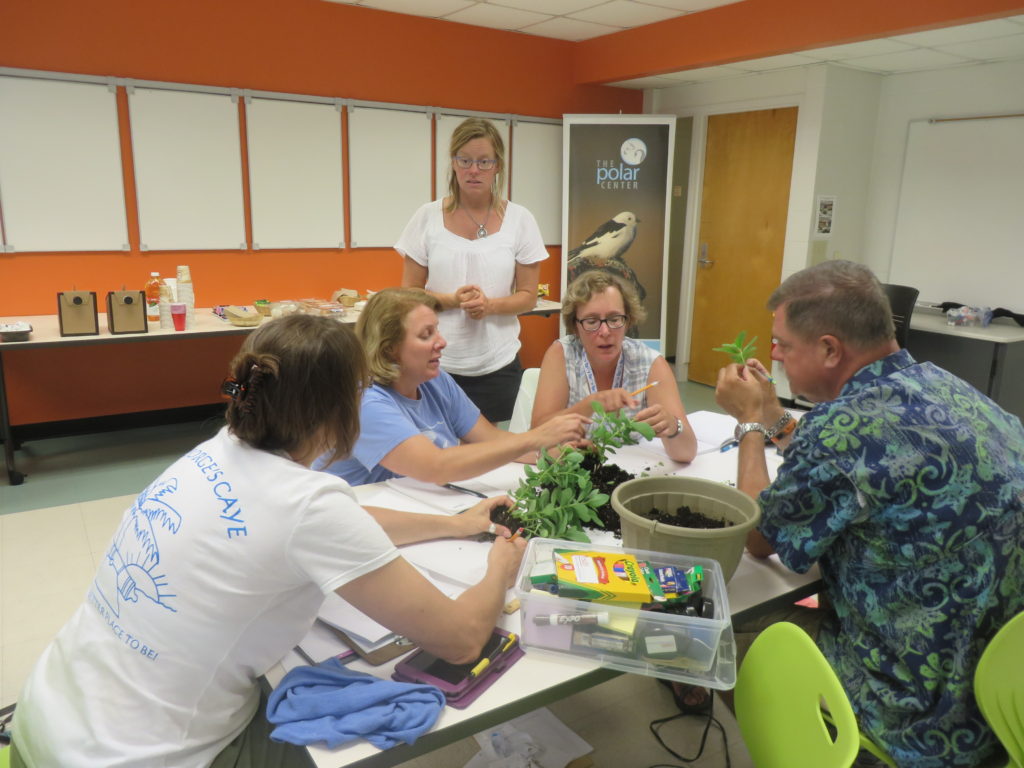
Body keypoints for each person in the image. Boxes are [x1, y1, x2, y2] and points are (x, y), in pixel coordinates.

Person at [10, 314, 526, 768]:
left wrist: (454, 523)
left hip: (50, 716)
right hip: (131, 757)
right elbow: (459, 640)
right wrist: (502, 560)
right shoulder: (307, 504)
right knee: (359, 739)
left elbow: (331, 522)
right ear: (343, 407)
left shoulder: (217, 450)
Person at [714, 260, 1024, 768]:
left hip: (915, 709)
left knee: (719, 623)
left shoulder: (842, 431)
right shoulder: (951, 388)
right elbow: (860, 464)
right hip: (999, 688)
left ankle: (814, 747)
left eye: (783, 345)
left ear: (830, 349)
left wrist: (749, 424)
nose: (773, 355)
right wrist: (777, 421)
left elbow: (760, 535)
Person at [319, 288, 588, 487]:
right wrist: (537, 438)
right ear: (390, 348)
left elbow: (491, 439)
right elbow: (436, 467)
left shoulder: (435, 379)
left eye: (437, 330)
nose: (442, 342)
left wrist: (553, 452)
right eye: (427, 335)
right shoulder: (366, 403)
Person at [398, 117, 547, 422]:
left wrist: (490, 305)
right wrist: (453, 301)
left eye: (483, 161)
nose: (474, 170)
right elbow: (407, 294)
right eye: (464, 160)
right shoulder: (427, 217)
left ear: (497, 166)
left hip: (498, 367)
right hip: (435, 365)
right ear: (453, 163)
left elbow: (529, 296)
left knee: (499, 457)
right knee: (438, 455)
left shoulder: (520, 219)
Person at [531, 270, 697, 464]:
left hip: (631, 474)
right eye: (592, 321)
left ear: (628, 320)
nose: (605, 331)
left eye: (614, 319)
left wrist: (672, 427)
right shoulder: (562, 354)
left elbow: (686, 453)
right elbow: (536, 436)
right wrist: (590, 404)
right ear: (575, 326)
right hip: (575, 472)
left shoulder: (650, 363)